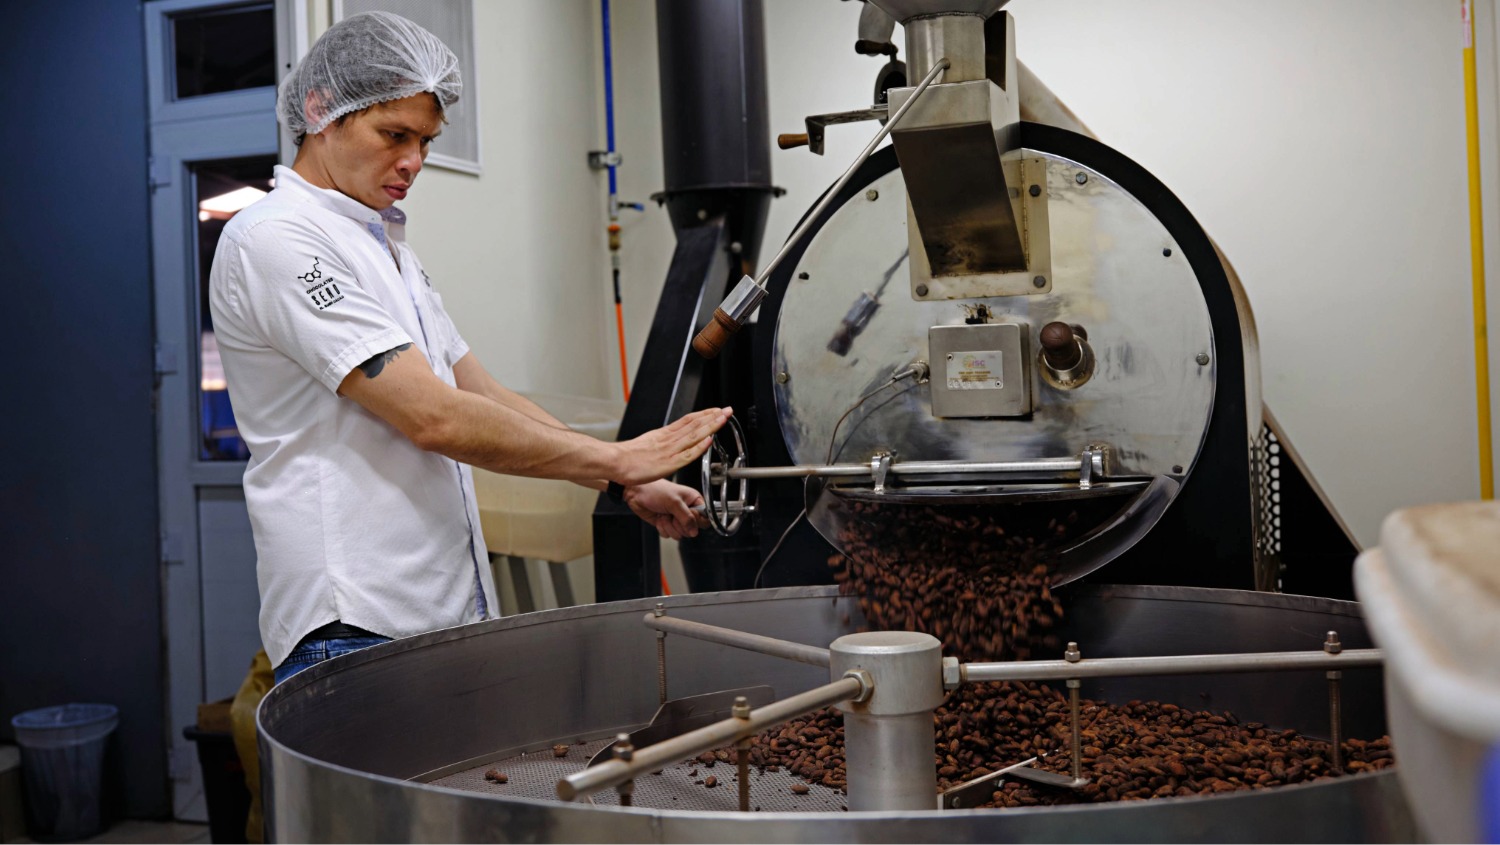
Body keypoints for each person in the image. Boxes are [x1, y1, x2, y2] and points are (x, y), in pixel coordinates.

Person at [209, 11, 729, 686]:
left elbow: (482, 393)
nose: (413, 162)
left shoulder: (386, 247)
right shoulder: (275, 238)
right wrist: (619, 456)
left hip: (436, 611)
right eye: (394, 134)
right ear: (319, 111)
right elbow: (435, 417)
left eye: (425, 141)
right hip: (353, 624)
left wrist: (622, 479)